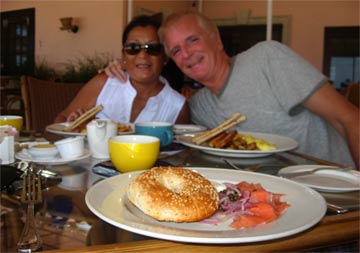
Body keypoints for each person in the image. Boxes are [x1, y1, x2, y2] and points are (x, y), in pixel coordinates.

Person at [105, 11, 359, 169]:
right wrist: (122, 70)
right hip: (278, 204)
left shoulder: (267, 58)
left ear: (216, 40)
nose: (187, 54)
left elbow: (349, 118)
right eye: (177, 50)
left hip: (339, 193)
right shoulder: (198, 106)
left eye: (192, 40)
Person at [54, 15, 189, 125]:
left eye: (152, 48)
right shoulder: (104, 83)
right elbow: (61, 119)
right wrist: (72, 125)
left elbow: (180, 153)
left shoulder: (177, 106)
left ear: (164, 57)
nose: (142, 55)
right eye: (133, 48)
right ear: (124, 54)